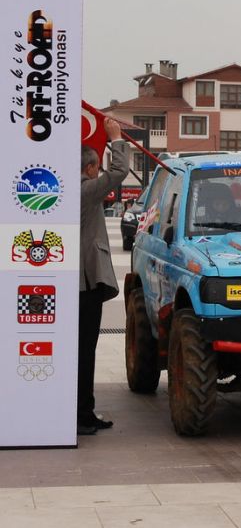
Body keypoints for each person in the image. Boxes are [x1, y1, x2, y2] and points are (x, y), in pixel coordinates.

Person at [79, 118, 130, 435]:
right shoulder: (85, 189)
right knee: (85, 350)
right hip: (87, 283)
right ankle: (83, 414)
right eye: (97, 168)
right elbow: (120, 171)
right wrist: (115, 138)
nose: (99, 173)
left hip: (79, 282)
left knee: (82, 350)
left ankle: (83, 410)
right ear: (90, 169)